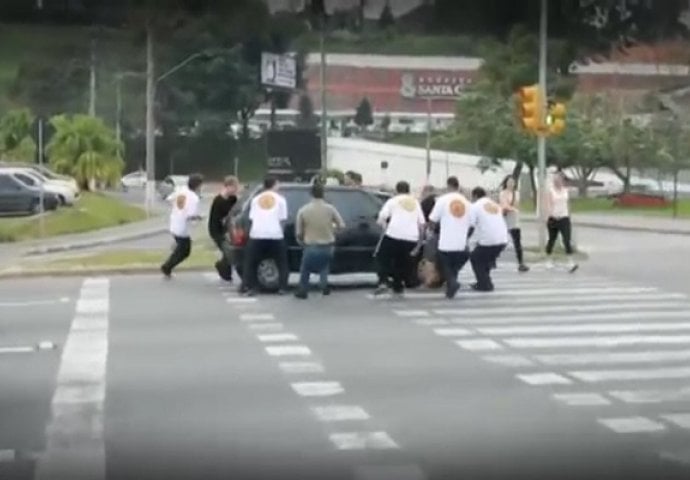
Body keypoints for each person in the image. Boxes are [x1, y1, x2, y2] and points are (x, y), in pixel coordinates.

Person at [294, 182, 346, 299]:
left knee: (305, 267)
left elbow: (299, 232)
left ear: (310, 194)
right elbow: (342, 225)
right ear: (323, 194)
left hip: (311, 245)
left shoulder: (303, 210)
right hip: (328, 245)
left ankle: (303, 290)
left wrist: (301, 240)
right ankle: (323, 285)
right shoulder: (330, 209)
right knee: (324, 265)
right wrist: (332, 230)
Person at [375, 181, 426, 298]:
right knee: (401, 262)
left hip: (393, 234)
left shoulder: (393, 201)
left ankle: (383, 281)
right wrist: (419, 244)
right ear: (408, 190)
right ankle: (398, 285)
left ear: (396, 190)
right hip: (411, 237)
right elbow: (422, 224)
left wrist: (383, 225)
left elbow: (382, 216)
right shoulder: (415, 202)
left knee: (382, 256)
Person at [240, 176, 289, 296]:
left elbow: (251, 218)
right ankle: (282, 287)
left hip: (257, 234)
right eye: (278, 184)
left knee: (251, 262)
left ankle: (252, 287)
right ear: (274, 185)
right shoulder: (281, 200)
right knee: (281, 262)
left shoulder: (256, 199)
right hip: (275, 234)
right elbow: (283, 219)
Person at [428, 176, 472, 299]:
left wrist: (430, 230)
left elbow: (432, 219)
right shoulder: (467, 202)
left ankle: (452, 283)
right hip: (462, 244)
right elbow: (473, 223)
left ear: (448, 186)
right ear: (458, 187)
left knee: (444, 264)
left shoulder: (442, 200)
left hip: (446, 243)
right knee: (454, 266)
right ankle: (451, 288)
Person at [161, 174, 204, 278]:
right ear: (198, 185)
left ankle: (168, 265)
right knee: (185, 251)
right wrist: (199, 218)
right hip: (183, 228)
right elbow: (191, 215)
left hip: (174, 222)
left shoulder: (181, 190)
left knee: (182, 248)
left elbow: (169, 199)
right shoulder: (194, 198)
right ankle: (167, 267)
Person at [469, 187, 509, 292]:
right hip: (503, 239)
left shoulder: (475, 206)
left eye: (472, 197)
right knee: (485, 259)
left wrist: (465, 238)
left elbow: (471, 225)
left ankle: (484, 284)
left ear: (475, 196)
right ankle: (485, 281)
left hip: (490, 240)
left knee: (475, 258)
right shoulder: (494, 204)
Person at [545, 171, 579, 273]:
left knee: (567, 240)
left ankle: (570, 262)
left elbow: (568, 204)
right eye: (556, 180)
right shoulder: (551, 191)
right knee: (552, 240)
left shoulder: (565, 191)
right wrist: (549, 216)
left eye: (559, 180)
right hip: (553, 218)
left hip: (564, 218)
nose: (558, 182)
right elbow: (548, 204)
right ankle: (549, 260)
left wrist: (569, 215)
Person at [208, 176, 240, 281]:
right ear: (228, 186)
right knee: (227, 251)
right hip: (217, 230)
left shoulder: (233, 199)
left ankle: (224, 270)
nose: (236, 190)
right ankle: (223, 268)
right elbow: (217, 219)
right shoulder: (218, 201)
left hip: (228, 230)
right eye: (235, 187)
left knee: (229, 251)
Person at [499, 175, 529, 273]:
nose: (511, 183)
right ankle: (491, 260)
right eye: (509, 182)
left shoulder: (517, 193)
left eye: (513, 182)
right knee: (501, 242)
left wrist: (515, 210)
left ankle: (521, 263)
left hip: (515, 220)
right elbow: (504, 206)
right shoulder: (502, 193)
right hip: (505, 219)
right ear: (506, 183)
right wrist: (513, 209)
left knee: (517, 242)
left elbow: (517, 205)